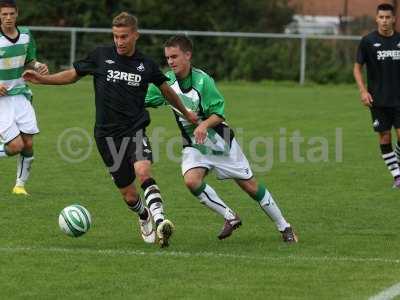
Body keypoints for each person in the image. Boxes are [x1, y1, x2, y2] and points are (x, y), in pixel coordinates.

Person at [23, 13, 197, 248]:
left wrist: (186, 113)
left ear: (136, 35)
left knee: (144, 171)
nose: (119, 41)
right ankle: (144, 216)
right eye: (115, 36)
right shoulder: (100, 56)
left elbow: (166, 90)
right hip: (106, 136)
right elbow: (73, 75)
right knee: (129, 195)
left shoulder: (146, 64)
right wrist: (44, 80)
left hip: (135, 130)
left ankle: (160, 221)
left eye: (124, 36)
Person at [145, 35, 297, 243]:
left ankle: (285, 227)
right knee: (191, 181)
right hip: (193, 144)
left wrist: (204, 125)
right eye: (167, 58)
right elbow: (143, 99)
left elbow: (219, 114)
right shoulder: (166, 82)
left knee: (250, 186)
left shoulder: (203, 81)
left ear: (188, 55)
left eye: (174, 56)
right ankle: (230, 217)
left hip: (219, 141)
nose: (170, 62)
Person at [0, 0, 49, 196]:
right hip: (1, 100)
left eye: (11, 14)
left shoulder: (27, 34)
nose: (8, 18)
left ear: (17, 14)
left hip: (20, 95)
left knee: (28, 144)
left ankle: (19, 186)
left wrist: (38, 66)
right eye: (4, 14)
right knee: (16, 145)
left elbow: (29, 60)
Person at [354, 3, 400, 188]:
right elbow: (357, 67)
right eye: (381, 17)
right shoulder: (367, 41)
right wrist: (363, 91)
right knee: (385, 137)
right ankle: (397, 175)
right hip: (378, 100)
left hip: (399, 98)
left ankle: (397, 166)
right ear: (376, 19)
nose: (384, 21)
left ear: (394, 19)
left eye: (388, 17)